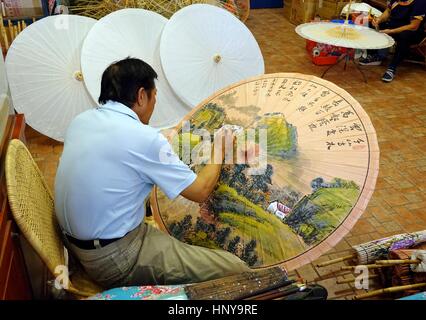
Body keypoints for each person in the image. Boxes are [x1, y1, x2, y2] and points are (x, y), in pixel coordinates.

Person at [54, 58, 251, 289]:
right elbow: (200, 191)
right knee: (235, 269)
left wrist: (158, 139)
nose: (154, 102)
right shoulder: (145, 140)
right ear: (141, 96)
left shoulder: (82, 120)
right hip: (115, 258)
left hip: (76, 246)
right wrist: (220, 147)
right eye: (154, 95)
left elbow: (124, 145)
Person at [358, 0, 426, 82]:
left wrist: (391, 31)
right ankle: (376, 56)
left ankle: (392, 68)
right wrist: (379, 19)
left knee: (404, 35)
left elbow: (413, 26)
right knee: (369, 24)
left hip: (412, 32)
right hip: (394, 26)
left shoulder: (420, 2)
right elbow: (388, 12)